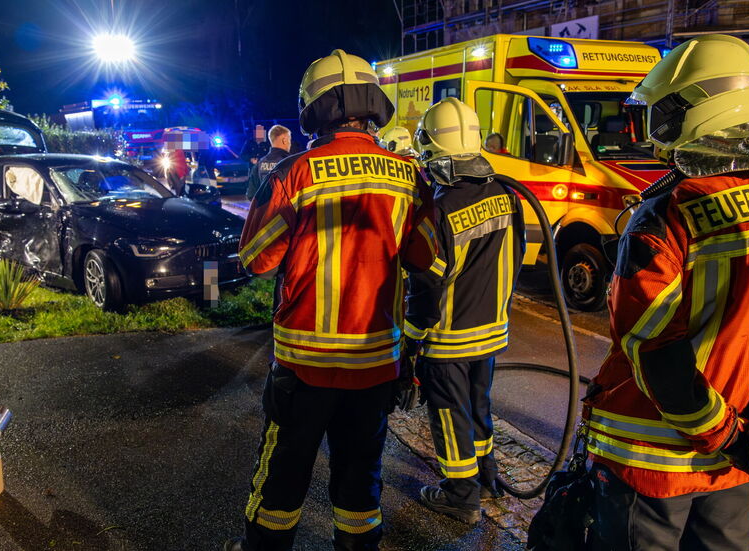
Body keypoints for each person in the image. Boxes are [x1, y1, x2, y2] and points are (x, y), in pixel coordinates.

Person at [584, 34, 749, 550]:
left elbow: (652, 347)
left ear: (696, 110)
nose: (656, 132)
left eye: (665, 113)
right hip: (734, 469)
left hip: (649, 460)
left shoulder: (666, 215)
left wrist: (726, 435)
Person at [224, 49, 438, 551]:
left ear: (312, 109)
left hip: (304, 367)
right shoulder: (411, 177)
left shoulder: (293, 174)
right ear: (374, 106)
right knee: (360, 486)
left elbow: (256, 258)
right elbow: (429, 258)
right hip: (375, 366)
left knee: (281, 482)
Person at [403, 97, 525, 524]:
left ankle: (460, 493)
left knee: (450, 414)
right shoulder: (509, 195)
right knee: (479, 406)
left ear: (433, 151)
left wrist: (410, 340)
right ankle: (488, 473)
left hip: (449, 337)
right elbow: (518, 256)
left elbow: (426, 284)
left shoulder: (439, 209)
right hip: (491, 330)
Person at [246, 125, 292, 200]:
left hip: (266, 209)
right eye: (290, 140)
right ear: (285, 140)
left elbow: (251, 194)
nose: (290, 143)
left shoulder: (260, 163)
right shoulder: (290, 161)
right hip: (286, 209)